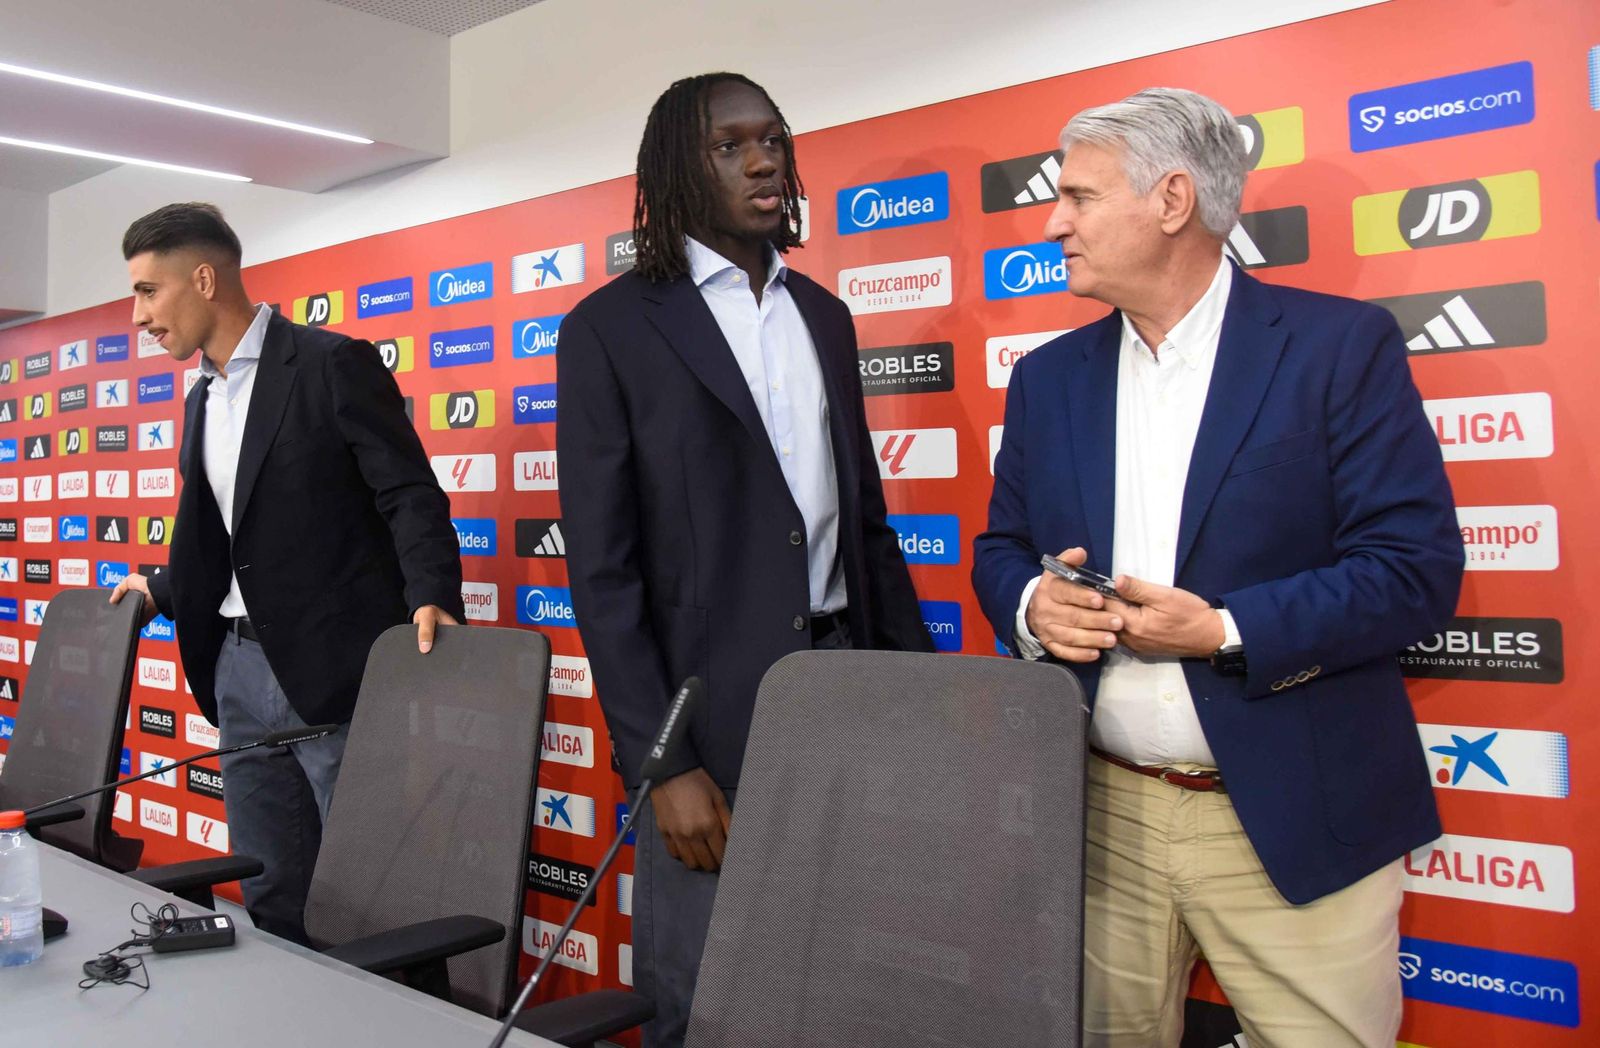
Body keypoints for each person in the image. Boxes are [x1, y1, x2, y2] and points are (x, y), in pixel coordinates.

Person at [971, 88, 1463, 1047]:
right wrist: (1033, 604)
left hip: (1295, 815)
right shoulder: (1048, 378)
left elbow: (1413, 571)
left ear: (1172, 200)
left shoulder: (1338, 348)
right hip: (1098, 815)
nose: (1053, 222)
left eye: (1079, 197)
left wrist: (1224, 630)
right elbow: (1000, 550)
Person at [557, 73, 933, 1046]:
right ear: (677, 171)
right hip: (707, 730)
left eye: (772, 140)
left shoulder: (825, 316)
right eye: (729, 146)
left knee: (842, 978)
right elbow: (603, 574)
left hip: (850, 697)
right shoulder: (609, 329)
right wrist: (665, 764)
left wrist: (920, 701)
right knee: (703, 1004)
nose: (763, 162)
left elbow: (866, 526)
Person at [110, 203, 464, 944]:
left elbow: (408, 493)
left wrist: (432, 593)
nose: (138, 315)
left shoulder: (331, 363)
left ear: (203, 279)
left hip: (335, 672)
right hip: (237, 674)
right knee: (272, 894)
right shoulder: (201, 397)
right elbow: (232, 531)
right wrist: (162, 588)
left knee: (370, 898)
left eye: (147, 291)